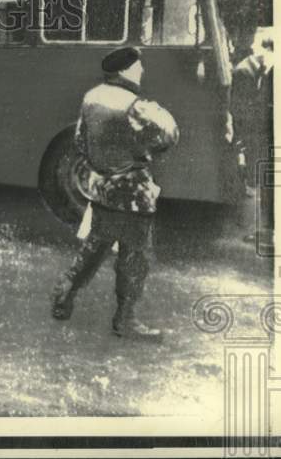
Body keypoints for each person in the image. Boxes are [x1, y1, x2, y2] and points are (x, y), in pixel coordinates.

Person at [50, 46, 179, 342]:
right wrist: (144, 152)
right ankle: (126, 320)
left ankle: (63, 298)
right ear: (125, 71)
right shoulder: (135, 105)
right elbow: (170, 135)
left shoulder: (92, 97)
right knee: (134, 257)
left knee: (94, 247)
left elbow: (80, 141)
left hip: (103, 189)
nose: (142, 71)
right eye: (138, 66)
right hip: (134, 193)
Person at [231, 28, 274, 243]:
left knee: (266, 180)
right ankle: (267, 230)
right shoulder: (251, 71)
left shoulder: (265, 72)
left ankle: (269, 231)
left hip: (264, 135)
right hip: (260, 135)